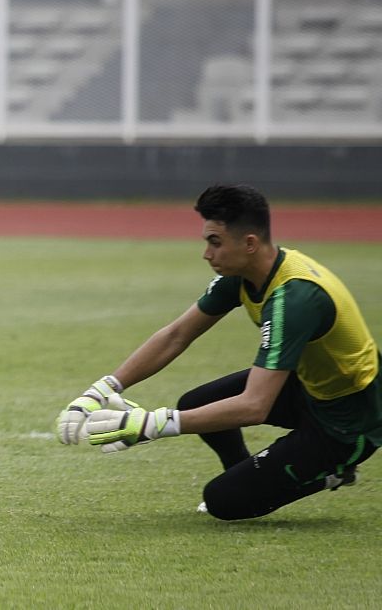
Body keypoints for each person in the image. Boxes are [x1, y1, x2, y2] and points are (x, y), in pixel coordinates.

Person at [56, 184, 380, 520]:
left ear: (250, 243)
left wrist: (153, 424)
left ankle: (334, 469)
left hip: (349, 421)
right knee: (195, 404)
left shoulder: (294, 300)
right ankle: (249, 476)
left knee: (222, 502)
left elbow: (255, 405)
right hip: (311, 387)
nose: (207, 254)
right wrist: (101, 390)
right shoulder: (245, 273)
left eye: (215, 242)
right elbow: (176, 335)